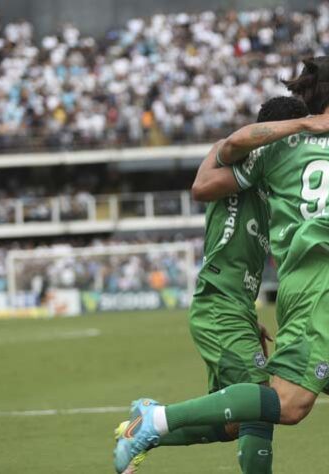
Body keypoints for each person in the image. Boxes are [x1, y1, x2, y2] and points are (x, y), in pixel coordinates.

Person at [114, 56, 329, 473]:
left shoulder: (276, 156)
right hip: (312, 288)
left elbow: (213, 172)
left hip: (308, 291)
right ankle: (157, 420)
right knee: (284, 406)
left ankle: (149, 425)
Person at [113, 96, 311, 473]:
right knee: (260, 399)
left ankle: (142, 429)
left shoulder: (267, 182)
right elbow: (230, 145)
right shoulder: (235, 160)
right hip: (219, 302)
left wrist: (250, 317)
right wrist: (302, 125)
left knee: (232, 421)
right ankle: (153, 417)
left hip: (232, 305)